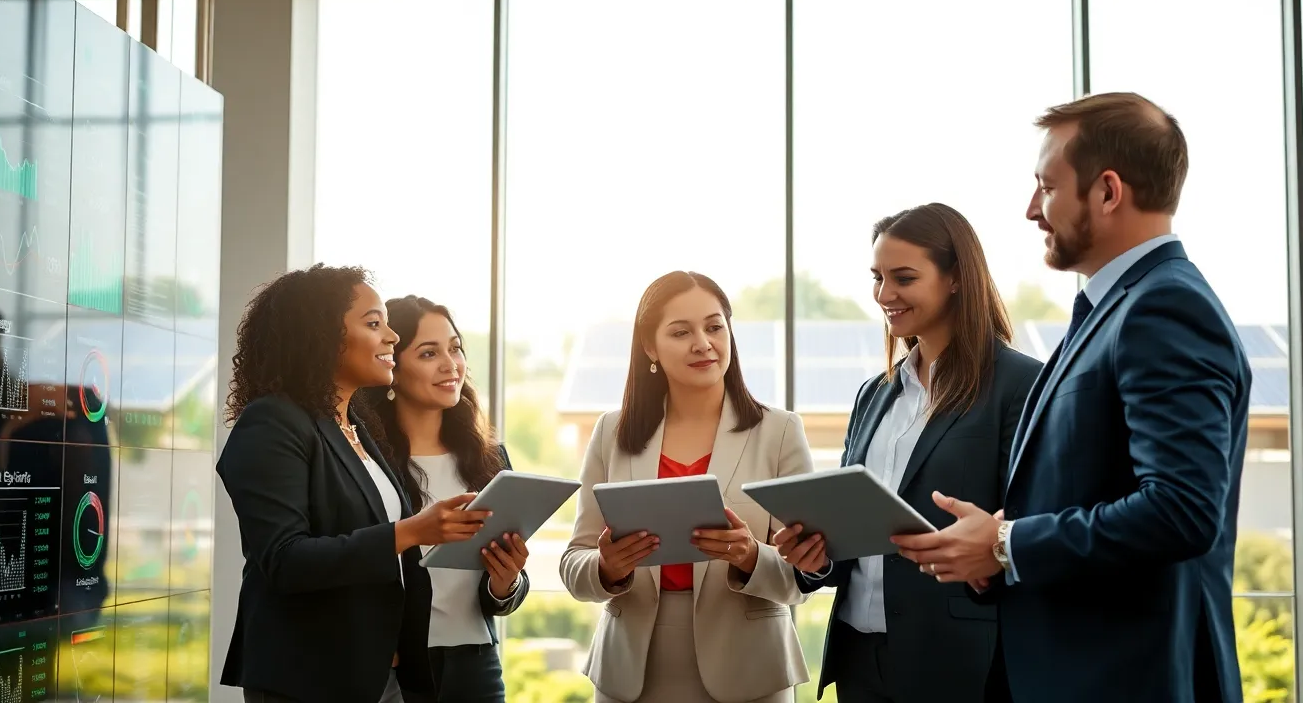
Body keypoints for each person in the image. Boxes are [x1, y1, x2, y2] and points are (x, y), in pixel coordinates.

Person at [891, 93, 1250, 703]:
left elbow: (1182, 509)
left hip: (1127, 678)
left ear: (1108, 192)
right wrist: (996, 547)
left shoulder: (1163, 308)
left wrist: (1006, 545)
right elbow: (1099, 489)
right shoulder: (1112, 309)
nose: (1031, 209)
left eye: (1046, 186)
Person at [773, 203, 1041, 703]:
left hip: (960, 662)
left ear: (956, 278)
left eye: (903, 278)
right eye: (877, 277)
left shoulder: (1020, 385)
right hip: (860, 656)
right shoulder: (875, 394)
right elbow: (852, 529)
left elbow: (1032, 524)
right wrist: (815, 558)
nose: (884, 295)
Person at [216, 264, 494, 703]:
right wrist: (412, 531)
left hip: (378, 676)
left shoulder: (355, 427)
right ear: (321, 334)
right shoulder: (272, 422)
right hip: (309, 678)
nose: (391, 337)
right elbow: (285, 559)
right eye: (373, 323)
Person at [560, 271, 813, 703]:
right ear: (649, 346)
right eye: (681, 332)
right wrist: (607, 568)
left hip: (750, 670)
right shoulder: (611, 433)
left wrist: (750, 556)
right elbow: (574, 565)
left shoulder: (780, 432)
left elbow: (804, 575)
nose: (703, 343)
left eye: (715, 327)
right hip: (631, 673)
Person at [355, 296, 529, 703]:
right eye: (429, 353)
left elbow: (503, 593)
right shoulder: (365, 458)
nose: (450, 364)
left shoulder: (490, 459)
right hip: (394, 666)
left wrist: (507, 583)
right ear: (392, 365)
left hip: (476, 663)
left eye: (455, 348)